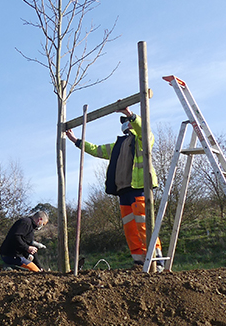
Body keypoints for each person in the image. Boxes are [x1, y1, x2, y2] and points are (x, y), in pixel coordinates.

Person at [65, 107, 161, 268]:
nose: (128, 124)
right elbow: (96, 150)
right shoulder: (117, 145)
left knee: (144, 226)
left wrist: (130, 114)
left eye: (129, 122)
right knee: (131, 231)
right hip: (123, 192)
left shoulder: (142, 141)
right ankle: (139, 262)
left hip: (139, 189)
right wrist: (76, 141)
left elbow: (144, 131)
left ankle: (156, 263)